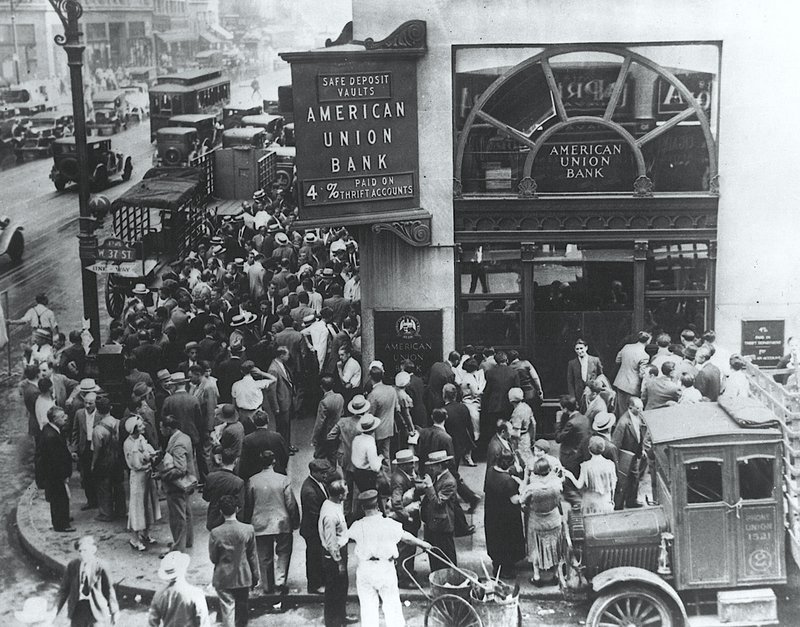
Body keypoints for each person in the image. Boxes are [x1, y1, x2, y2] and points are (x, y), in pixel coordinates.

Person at [348, 490, 431, 627]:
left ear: (362, 508)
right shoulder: (388, 524)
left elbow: (342, 537)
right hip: (385, 568)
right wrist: (424, 544)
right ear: (378, 506)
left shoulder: (357, 525)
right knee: (392, 606)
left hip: (365, 569)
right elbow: (407, 538)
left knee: (368, 608)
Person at [244, 450, 299, 607]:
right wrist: (295, 520)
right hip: (281, 521)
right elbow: (290, 503)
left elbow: (249, 503)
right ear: (274, 461)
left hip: (260, 522)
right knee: (283, 552)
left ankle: (267, 586)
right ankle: (280, 582)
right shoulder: (283, 480)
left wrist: (249, 521)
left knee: (264, 555)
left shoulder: (252, 481)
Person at [209, 495, 260, 627]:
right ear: (237, 509)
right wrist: (255, 575)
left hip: (223, 576)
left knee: (227, 609)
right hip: (243, 575)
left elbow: (214, 558)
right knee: (242, 608)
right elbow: (252, 555)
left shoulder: (215, 532)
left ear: (221, 511)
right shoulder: (248, 529)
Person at [319, 479, 358, 626]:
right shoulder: (330, 515)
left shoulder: (334, 504)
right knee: (333, 590)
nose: (347, 494)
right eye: (346, 492)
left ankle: (341, 617)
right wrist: (339, 562)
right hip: (334, 556)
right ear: (340, 495)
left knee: (342, 588)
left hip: (340, 550)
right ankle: (332, 622)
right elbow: (331, 543)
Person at [56, 536, 119, 626]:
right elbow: (64, 590)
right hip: (77, 608)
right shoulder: (73, 565)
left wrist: (114, 611)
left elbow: (109, 590)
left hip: (96, 609)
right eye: (80, 551)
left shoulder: (101, 566)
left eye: (85, 550)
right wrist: (55, 610)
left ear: (93, 550)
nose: (82, 554)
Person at [520, 457, 564, 584]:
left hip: (537, 520)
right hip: (554, 518)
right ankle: (555, 574)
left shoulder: (532, 488)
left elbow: (523, 501)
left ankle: (537, 576)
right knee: (555, 546)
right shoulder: (556, 484)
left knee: (536, 547)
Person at [158, 415, 197, 553]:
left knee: (177, 517)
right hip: (187, 482)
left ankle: (178, 547)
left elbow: (180, 468)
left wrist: (162, 475)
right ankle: (187, 541)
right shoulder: (184, 437)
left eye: (162, 427)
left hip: (177, 485)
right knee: (186, 512)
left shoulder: (178, 443)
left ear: (169, 428)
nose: (160, 430)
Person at [484, 449, 526, 577]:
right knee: (507, 541)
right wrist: (523, 486)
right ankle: (506, 570)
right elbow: (515, 500)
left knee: (495, 541)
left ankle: (498, 566)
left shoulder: (490, 471)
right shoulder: (508, 481)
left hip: (492, 514)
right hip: (506, 517)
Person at [124, 416, 161, 551]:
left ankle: (146, 533)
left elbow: (149, 452)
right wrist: (147, 459)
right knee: (137, 506)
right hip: (138, 477)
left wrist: (153, 455)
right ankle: (134, 538)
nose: (143, 427)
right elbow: (135, 464)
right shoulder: (128, 444)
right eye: (140, 426)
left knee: (148, 504)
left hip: (147, 475)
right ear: (134, 429)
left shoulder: (141, 439)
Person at [420, 450, 459, 572]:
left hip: (443, 526)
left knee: (445, 557)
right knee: (434, 555)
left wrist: (430, 487)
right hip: (434, 524)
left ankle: (449, 578)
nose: (431, 468)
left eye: (433, 465)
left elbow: (438, 502)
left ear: (440, 466)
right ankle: (437, 576)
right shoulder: (439, 477)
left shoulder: (449, 482)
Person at [389, 449, 423, 589]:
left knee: (409, 549)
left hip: (407, 520)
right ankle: (404, 579)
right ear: (403, 465)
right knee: (405, 550)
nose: (413, 465)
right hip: (405, 522)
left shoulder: (403, 475)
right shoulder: (399, 479)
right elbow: (396, 502)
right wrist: (406, 516)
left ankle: (407, 572)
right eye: (410, 463)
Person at [148, 551, 210, 627]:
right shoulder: (195, 593)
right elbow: (203, 622)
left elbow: (152, 622)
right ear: (184, 570)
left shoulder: (159, 594)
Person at [38, 406, 74, 532]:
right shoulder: (51, 436)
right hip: (55, 475)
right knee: (60, 498)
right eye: (62, 416)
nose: (66, 418)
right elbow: (55, 460)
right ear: (54, 419)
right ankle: (61, 525)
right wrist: (64, 475)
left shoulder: (50, 430)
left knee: (60, 498)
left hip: (53, 474)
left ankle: (63, 518)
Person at [300, 458, 332, 595]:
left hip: (316, 528)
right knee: (314, 557)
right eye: (322, 473)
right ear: (314, 472)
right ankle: (315, 585)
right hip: (313, 529)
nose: (325, 475)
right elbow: (315, 514)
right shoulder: (310, 491)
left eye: (326, 472)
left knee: (318, 556)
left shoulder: (318, 483)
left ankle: (320, 582)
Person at [612, 397, 650, 509]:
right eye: (638, 408)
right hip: (625, 457)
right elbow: (616, 443)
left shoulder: (638, 417)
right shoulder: (623, 423)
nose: (641, 410)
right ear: (630, 407)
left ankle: (631, 501)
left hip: (634, 454)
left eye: (642, 408)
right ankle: (618, 504)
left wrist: (641, 449)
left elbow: (639, 435)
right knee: (623, 481)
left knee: (634, 478)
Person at [562, 436, 618, 514]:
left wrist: (570, 475)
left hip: (590, 503)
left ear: (589, 450)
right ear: (603, 449)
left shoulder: (585, 466)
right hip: (605, 501)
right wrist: (611, 500)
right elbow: (613, 485)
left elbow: (579, 485)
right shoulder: (611, 464)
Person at [91, 397, 126, 522]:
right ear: (110, 408)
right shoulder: (119, 423)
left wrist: (93, 464)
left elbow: (97, 449)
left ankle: (106, 513)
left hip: (104, 461)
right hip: (118, 459)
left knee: (104, 487)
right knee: (119, 486)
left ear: (98, 411)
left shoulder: (98, 429)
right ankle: (121, 511)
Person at [480, 351, 520, 451]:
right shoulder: (514, 372)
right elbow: (517, 390)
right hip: (509, 406)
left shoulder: (490, 372)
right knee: (508, 429)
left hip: (493, 406)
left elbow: (487, 391)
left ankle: (496, 450)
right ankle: (508, 450)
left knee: (495, 430)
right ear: (506, 360)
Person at [555, 395, 591, 506]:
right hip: (581, 454)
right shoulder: (584, 418)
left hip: (570, 457)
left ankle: (576, 505)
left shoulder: (571, 423)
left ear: (565, 409)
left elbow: (558, 438)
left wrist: (558, 421)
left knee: (569, 485)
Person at [203, 448, 245, 531]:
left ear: (221, 460)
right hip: (231, 522)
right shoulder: (238, 482)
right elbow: (240, 506)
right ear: (235, 461)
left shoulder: (210, 477)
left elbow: (206, 497)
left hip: (213, 519)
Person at [239, 410, 289, 479]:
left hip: (255, 474)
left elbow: (244, 461)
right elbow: (285, 455)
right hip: (275, 472)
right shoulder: (277, 437)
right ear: (268, 421)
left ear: (254, 422)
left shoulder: (248, 440)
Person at [71, 390, 98, 510]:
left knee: (98, 475)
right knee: (86, 476)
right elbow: (75, 432)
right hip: (84, 447)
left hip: (97, 447)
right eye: (86, 403)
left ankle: (101, 501)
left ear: (96, 403)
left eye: (90, 403)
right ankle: (91, 501)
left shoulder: (100, 414)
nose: (87, 406)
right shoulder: (79, 413)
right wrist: (74, 449)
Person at [267, 346, 297, 454]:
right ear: (281, 356)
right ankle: (282, 449)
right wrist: (275, 407)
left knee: (286, 426)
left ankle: (287, 445)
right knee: (282, 428)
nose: (289, 356)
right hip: (281, 403)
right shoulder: (273, 370)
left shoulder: (281, 365)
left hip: (286, 401)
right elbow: (271, 391)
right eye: (287, 354)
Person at [613, 331, 651, 417]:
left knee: (621, 409)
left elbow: (617, 360)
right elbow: (642, 374)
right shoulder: (645, 355)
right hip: (632, 386)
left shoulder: (627, 347)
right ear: (648, 341)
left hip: (620, 382)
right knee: (631, 411)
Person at [366, 363, 397, 460]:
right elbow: (396, 407)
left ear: (370, 377)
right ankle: (387, 474)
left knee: (374, 458)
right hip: (389, 428)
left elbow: (369, 416)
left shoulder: (373, 395)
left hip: (376, 432)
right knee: (386, 456)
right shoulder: (391, 390)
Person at [443, 383, 476, 469]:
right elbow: (469, 427)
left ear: (444, 395)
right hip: (461, 443)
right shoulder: (463, 407)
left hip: (448, 444)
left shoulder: (444, 411)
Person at [313, 375, 344, 461]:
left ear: (321, 387)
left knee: (319, 456)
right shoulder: (340, 397)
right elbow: (342, 413)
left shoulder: (324, 402)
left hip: (325, 434)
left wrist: (314, 438)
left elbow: (319, 423)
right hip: (337, 431)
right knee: (333, 455)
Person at [567, 339, 603, 410]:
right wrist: (573, 397)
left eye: (581, 348)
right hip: (579, 395)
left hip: (593, 394)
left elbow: (601, 377)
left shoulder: (595, 360)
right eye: (577, 349)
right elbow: (570, 381)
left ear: (586, 348)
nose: (579, 351)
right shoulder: (572, 363)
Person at [457, 357, 484, 449]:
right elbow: (475, 393)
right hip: (472, 406)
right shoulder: (470, 379)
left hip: (466, 403)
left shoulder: (465, 377)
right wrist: (483, 387)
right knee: (475, 430)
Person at [508, 386, 535, 467]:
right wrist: (532, 439)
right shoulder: (527, 407)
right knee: (529, 459)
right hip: (527, 437)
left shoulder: (517, 412)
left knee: (521, 462)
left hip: (519, 441)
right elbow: (534, 423)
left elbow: (516, 434)